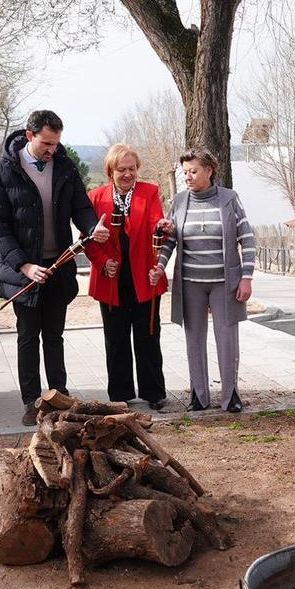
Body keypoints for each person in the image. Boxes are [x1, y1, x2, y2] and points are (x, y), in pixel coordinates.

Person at [0, 109, 110, 426]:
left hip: (60, 266)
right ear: (30, 136)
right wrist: (24, 265)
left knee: (54, 336)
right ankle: (31, 402)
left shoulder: (65, 165)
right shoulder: (4, 170)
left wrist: (93, 227)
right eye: (46, 144)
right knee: (28, 337)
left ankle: (59, 399)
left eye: (56, 144)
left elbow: (81, 206)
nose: (52, 150)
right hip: (24, 271)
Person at [150, 147, 256, 413]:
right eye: (184, 172)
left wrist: (246, 278)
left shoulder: (229, 199)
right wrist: (160, 268)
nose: (188, 176)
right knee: (193, 339)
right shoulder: (179, 201)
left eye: (193, 171)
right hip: (190, 284)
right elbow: (170, 241)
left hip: (224, 282)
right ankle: (199, 395)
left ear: (209, 170)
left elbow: (248, 238)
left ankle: (230, 396)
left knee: (227, 339)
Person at [84, 144, 172, 410]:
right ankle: (120, 394)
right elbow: (87, 239)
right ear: (110, 171)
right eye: (121, 169)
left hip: (143, 276)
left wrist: (161, 227)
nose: (127, 174)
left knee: (148, 335)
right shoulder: (96, 197)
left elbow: (157, 223)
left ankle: (153, 392)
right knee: (116, 337)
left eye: (132, 169)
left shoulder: (150, 192)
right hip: (112, 278)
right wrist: (102, 262)